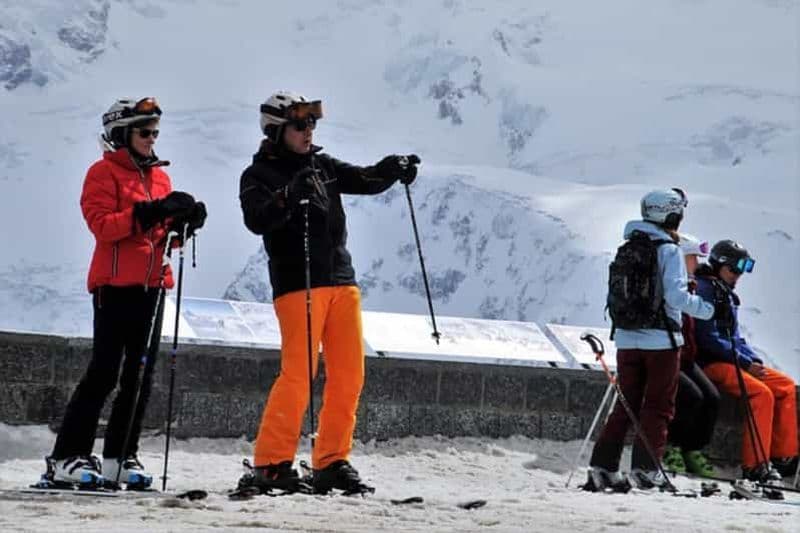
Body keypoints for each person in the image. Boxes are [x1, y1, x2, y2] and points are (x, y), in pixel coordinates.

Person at [238, 91, 420, 494]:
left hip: (341, 281)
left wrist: (392, 169)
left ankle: (332, 461)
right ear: (276, 131)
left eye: (312, 124)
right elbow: (257, 219)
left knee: (349, 376)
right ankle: (271, 463)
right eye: (300, 125)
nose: (309, 131)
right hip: (296, 285)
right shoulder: (258, 176)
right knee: (299, 376)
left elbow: (365, 179)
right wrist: (287, 196)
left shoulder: (321, 165)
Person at [44, 97, 206, 487]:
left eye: (155, 132)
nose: (152, 139)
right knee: (103, 372)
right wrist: (152, 212)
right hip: (114, 286)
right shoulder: (102, 174)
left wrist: (184, 224)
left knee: (139, 375)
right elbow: (102, 226)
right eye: (144, 132)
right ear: (122, 135)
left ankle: (120, 455)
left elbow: (162, 238)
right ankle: (67, 456)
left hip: (152, 285)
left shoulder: (159, 178)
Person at [584, 189, 714, 492]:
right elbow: (676, 296)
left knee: (625, 404)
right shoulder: (668, 249)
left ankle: (602, 467)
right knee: (657, 406)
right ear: (671, 214)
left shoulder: (628, 247)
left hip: (627, 339)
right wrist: (706, 309)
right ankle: (645, 471)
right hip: (662, 342)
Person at [694, 240, 798, 482]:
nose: (738, 275)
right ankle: (755, 465)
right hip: (711, 363)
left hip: (732, 360)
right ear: (719, 266)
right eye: (733, 269)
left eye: (741, 270)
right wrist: (743, 363)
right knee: (761, 394)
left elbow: (735, 336)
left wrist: (753, 360)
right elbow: (708, 338)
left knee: (784, 386)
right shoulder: (705, 290)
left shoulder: (725, 293)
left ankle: (784, 458)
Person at [662, 233, 719, 476]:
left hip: (686, 357)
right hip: (669, 353)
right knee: (691, 396)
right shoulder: (674, 287)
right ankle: (671, 446)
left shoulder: (691, 286)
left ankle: (693, 448)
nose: (697, 263)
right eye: (693, 257)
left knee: (712, 397)